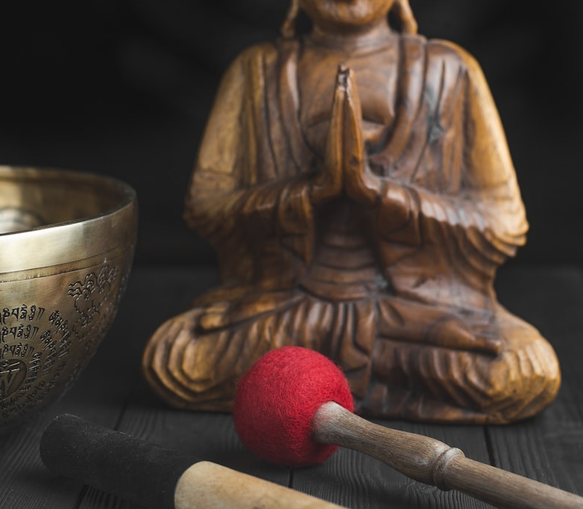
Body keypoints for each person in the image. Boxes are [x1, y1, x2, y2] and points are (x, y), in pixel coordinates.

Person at [142, 0, 560, 423]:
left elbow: (504, 223)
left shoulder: (450, 70)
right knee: (176, 358)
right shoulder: (258, 71)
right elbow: (206, 207)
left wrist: (381, 195)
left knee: (525, 371)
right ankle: (349, 390)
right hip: (289, 307)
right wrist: (308, 193)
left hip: (414, 315)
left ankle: (300, 389)